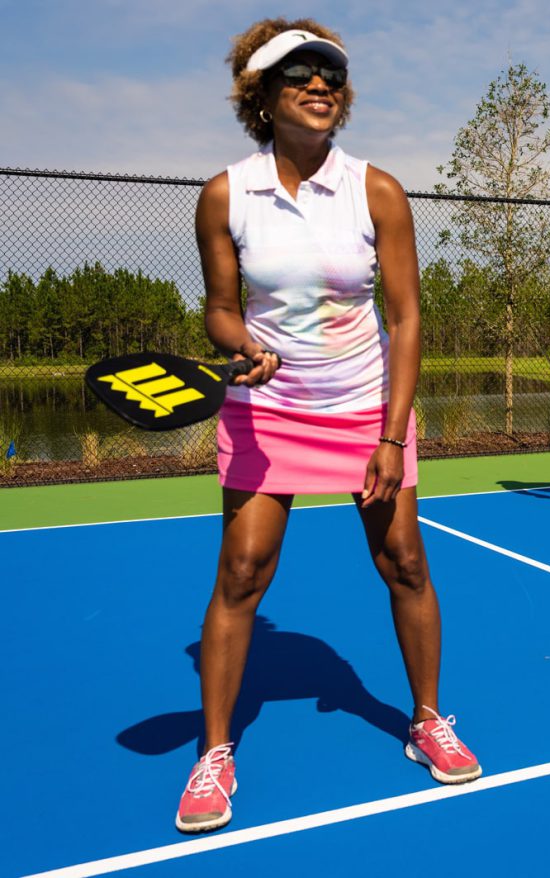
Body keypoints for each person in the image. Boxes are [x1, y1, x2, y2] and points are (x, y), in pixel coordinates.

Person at [176, 17, 481, 834]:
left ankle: (426, 720)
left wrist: (390, 432)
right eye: (297, 73)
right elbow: (219, 309)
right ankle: (213, 755)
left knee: (404, 559)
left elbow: (408, 318)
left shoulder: (376, 190)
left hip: (364, 405)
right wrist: (241, 344)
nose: (319, 85)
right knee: (242, 572)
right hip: (266, 409)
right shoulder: (224, 194)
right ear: (261, 96)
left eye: (330, 75)